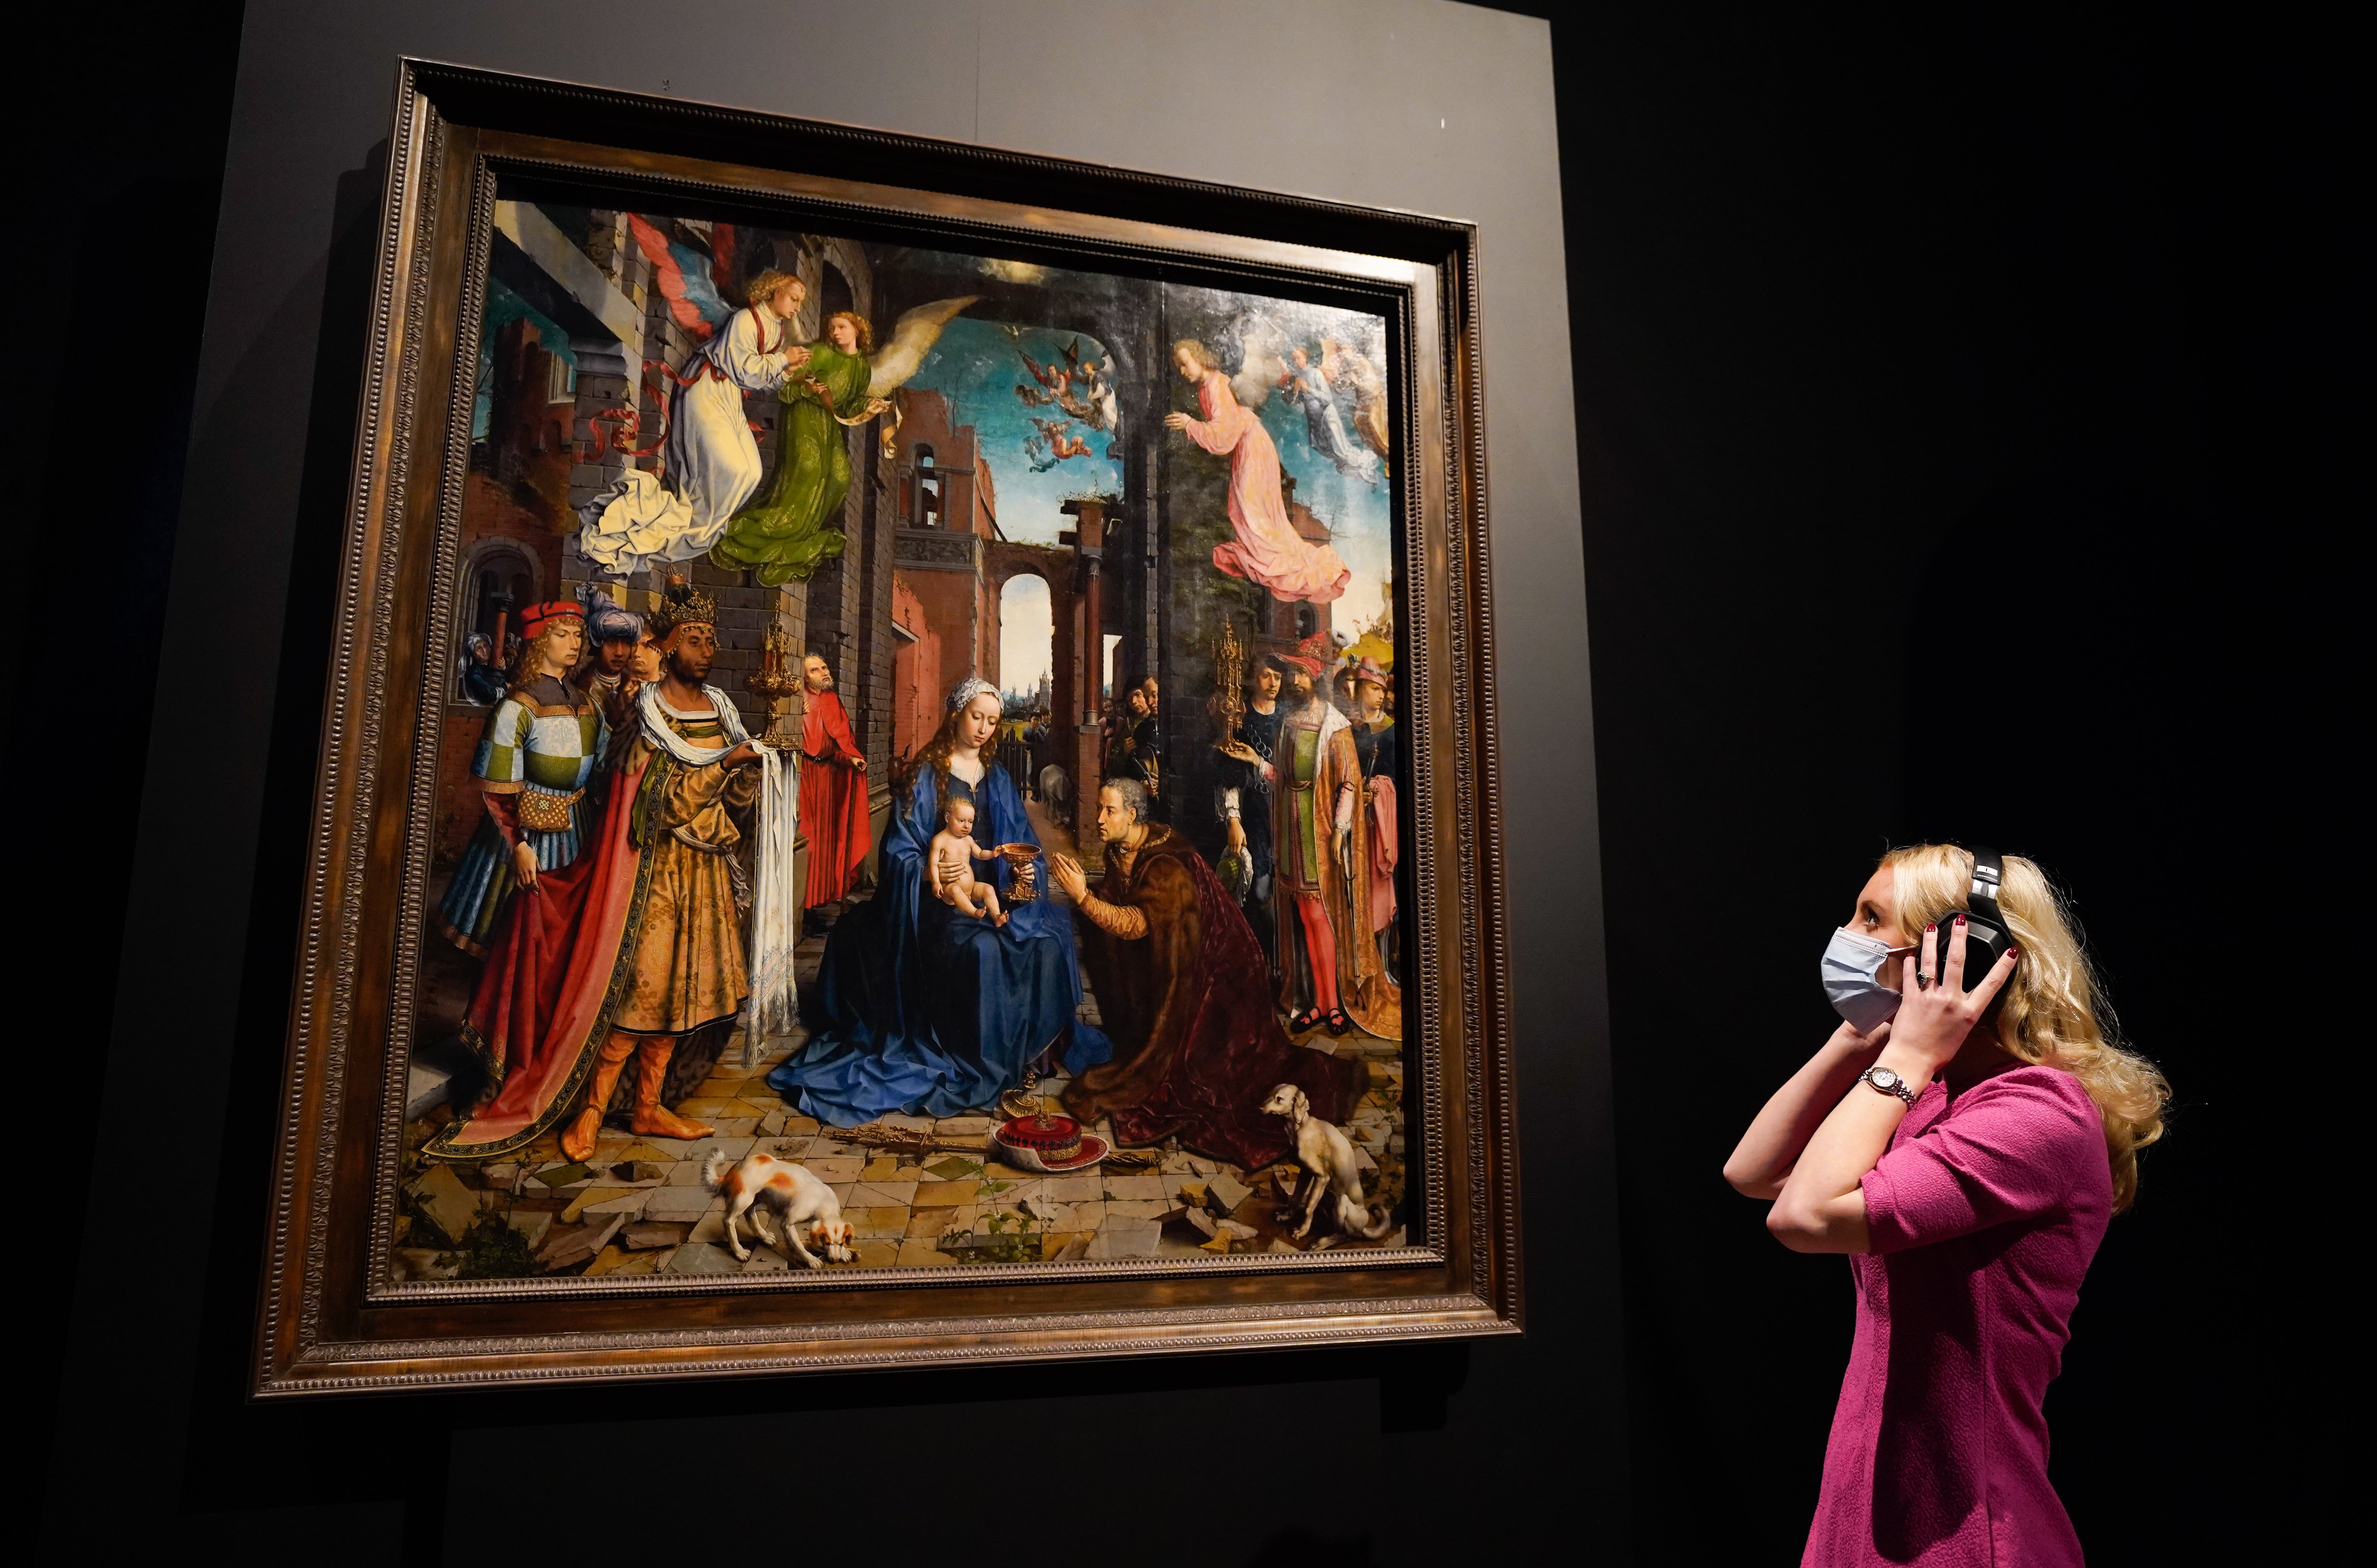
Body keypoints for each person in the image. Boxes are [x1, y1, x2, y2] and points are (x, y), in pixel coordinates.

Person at [1724, 844, 2170, 1568]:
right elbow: (1755, 1171)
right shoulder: (1932, 1094)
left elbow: (1802, 1218)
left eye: (1872, 918)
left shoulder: (2037, 1117)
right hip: (1864, 1513)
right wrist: (1864, 1036)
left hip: (1959, 1535)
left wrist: (1901, 1059)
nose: (1846, 935)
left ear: (1960, 952)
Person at [427, 580, 784, 1165]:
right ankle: (591, 1109)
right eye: (694, 638)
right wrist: (726, 765)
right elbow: (656, 801)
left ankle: (649, 1104)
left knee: (685, 994)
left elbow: (734, 799)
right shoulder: (646, 715)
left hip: (703, 871)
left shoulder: (721, 708)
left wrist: (748, 769)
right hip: (649, 873)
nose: (707, 649)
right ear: (668, 646)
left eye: (711, 639)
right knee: (636, 992)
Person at [766, 677, 1112, 1125]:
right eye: (977, 717)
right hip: (934, 905)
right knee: (984, 950)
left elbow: (1020, 844)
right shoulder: (926, 774)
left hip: (991, 891)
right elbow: (899, 851)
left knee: (1048, 937)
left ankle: (1031, 1052)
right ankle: (979, 1057)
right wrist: (932, 874)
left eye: (993, 720)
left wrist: (1026, 870)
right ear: (956, 716)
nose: (985, 728)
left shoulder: (1000, 778)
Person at [1048, 779, 1360, 1167]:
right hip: (1189, 961)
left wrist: (1083, 897)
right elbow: (1120, 898)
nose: (1099, 818)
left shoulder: (1165, 867)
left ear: (1132, 814)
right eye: (1099, 808)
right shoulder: (1123, 850)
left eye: (1109, 810)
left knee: (1204, 1072)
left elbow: (1135, 924)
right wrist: (1090, 895)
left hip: (1221, 973)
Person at [574, 270, 811, 579]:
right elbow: (739, 366)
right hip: (705, 387)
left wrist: (788, 370)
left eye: (800, 303)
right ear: (775, 290)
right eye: (794, 299)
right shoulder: (745, 319)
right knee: (733, 468)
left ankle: (701, 526)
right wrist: (782, 360)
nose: (796, 308)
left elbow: (759, 380)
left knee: (752, 472)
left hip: (729, 396)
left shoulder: (777, 332)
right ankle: (686, 522)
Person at [436, 601, 604, 958]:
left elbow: (603, 768)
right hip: (524, 831)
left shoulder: (588, 704)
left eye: (578, 635)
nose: (574, 643)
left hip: (577, 828)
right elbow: (497, 788)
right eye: (562, 635)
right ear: (540, 640)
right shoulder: (516, 706)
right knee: (512, 933)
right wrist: (520, 846)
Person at [1267, 637, 1397, 1038]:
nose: (1292, 681)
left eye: (1299, 674)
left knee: (1322, 918)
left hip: (1319, 831)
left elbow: (1347, 784)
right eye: (1289, 674)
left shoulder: (1334, 726)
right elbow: (1279, 776)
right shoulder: (1287, 723)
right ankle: (1316, 1002)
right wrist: (1253, 763)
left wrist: (1341, 832)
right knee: (1305, 917)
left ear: (1316, 677)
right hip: (1290, 831)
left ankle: (1332, 1004)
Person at [1164, 339, 1350, 603]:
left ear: (1200, 358)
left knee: (1252, 510)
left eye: (1186, 363)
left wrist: (1190, 424)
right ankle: (1270, 559)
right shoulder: (1207, 386)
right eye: (1179, 367)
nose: (1183, 371)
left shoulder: (1216, 385)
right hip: (1248, 446)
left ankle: (1281, 565)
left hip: (1252, 445)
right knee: (1243, 510)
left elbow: (1223, 436)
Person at [709, 309, 873, 586]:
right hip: (801, 417)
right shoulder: (819, 352)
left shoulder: (862, 368)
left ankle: (804, 531)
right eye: (831, 327)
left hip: (828, 426)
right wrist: (807, 391)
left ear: (858, 330)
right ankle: (780, 529)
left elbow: (846, 406)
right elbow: (785, 389)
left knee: (841, 477)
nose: (835, 333)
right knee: (807, 469)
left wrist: (870, 407)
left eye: (842, 327)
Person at [1218, 653, 1288, 970]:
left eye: (1277, 676)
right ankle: (1256, 963)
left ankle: (1281, 968)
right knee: (1258, 891)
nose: (1273, 683)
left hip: (1289, 813)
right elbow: (1228, 773)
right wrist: (1234, 820)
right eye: (1266, 675)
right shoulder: (1241, 718)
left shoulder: (1289, 718)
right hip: (1255, 814)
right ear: (1253, 679)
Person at [795, 649, 870, 931]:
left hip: (826, 777)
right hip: (803, 777)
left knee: (825, 844)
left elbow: (839, 744)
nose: (824, 672)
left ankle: (813, 907)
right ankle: (801, 908)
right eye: (815, 670)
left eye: (824, 667)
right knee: (808, 841)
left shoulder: (832, 701)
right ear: (803, 676)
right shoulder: (797, 700)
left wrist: (851, 758)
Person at [1346, 657, 1399, 983]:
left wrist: (1376, 790)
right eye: (1374, 689)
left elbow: (1393, 777)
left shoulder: (1391, 731)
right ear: (1362, 688)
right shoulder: (1349, 728)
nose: (1380, 695)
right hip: (1351, 819)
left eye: (1383, 690)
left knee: (1379, 890)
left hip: (1379, 822)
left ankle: (1382, 966)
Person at [1279, 344, 1378, 485]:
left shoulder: (1315, 374)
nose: (1297, 361)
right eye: (1294, 359)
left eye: (1299, 358)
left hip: (1327, 416)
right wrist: (1296, 390)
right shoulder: (1297, 378)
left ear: (1305, 357)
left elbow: (1327, 399)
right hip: (1314, 420)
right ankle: (1358, 473)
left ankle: (1365, 472)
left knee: (1341, 450)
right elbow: (1294, 402)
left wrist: (1309, 389)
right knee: (1319, 446)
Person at [571, 597, 646, 733]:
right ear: (597, 646)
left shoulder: (635, 685)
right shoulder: (581, 690)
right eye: (611, 643)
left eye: (625, 644)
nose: (619, 652)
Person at [929, 795, 1006, 924]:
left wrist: (993, 854)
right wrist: (936, 883)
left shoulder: (969, 840)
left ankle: (997, 917)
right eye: (961, 821)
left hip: (971, 889)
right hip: (949, 890)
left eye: (970, 822)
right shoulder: (940, 840)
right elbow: (933, 864)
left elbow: (980, 854)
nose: (967, 826)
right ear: (948, 818)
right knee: (955, 890)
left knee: (988, 889)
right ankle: (974, 913)